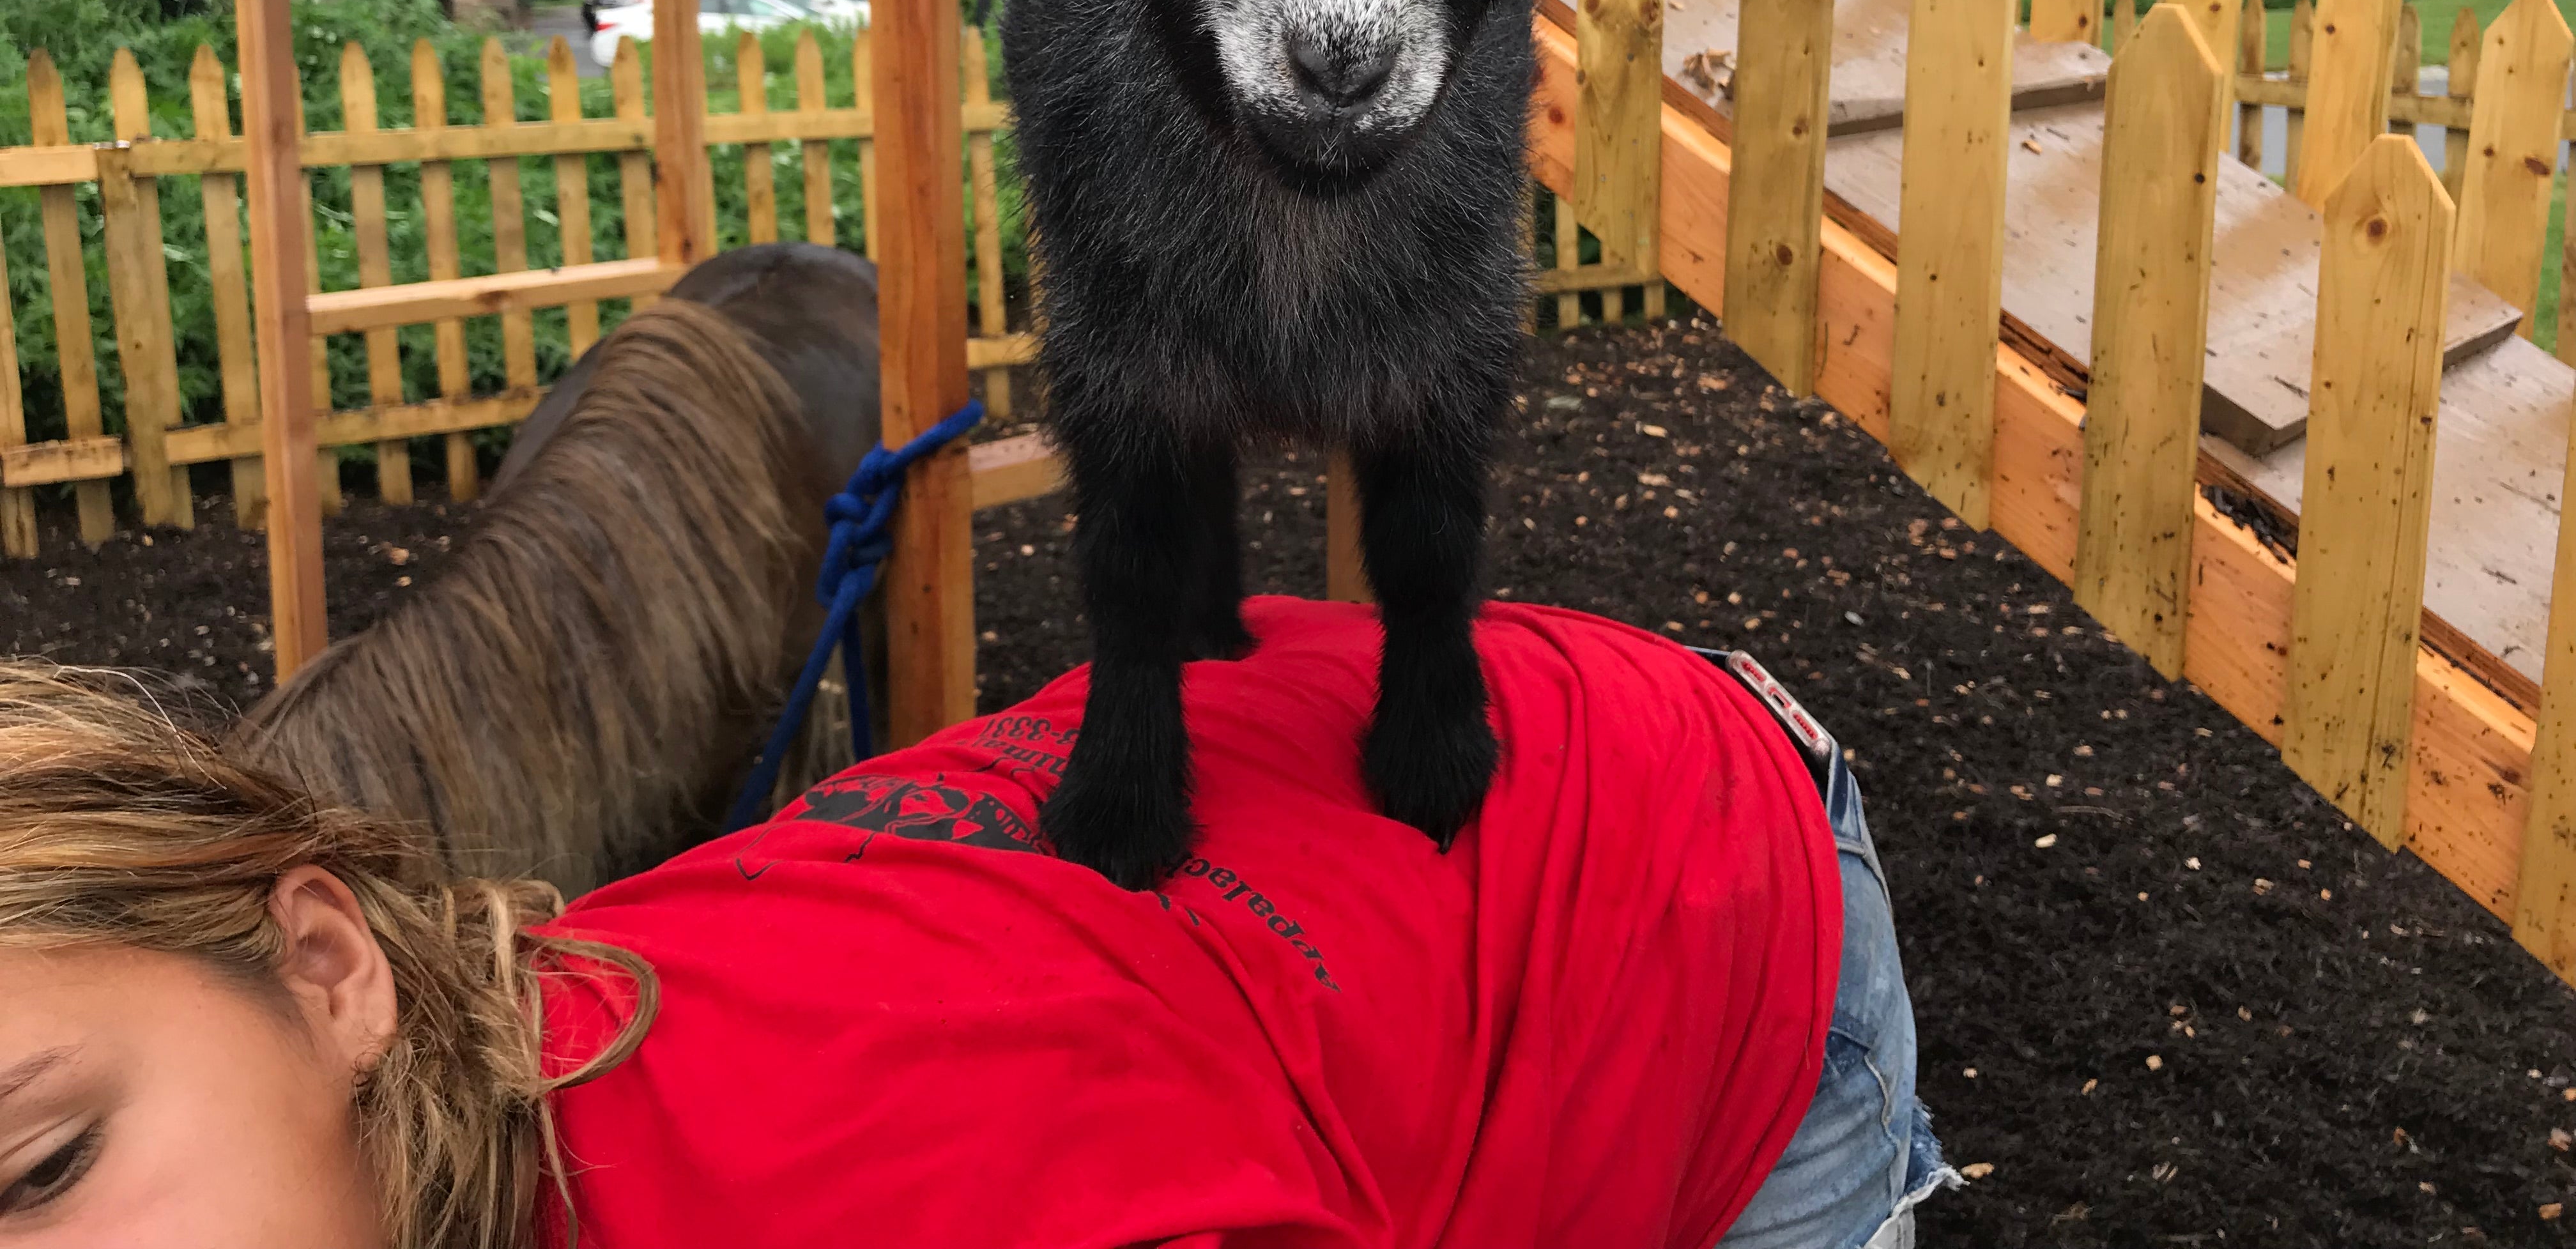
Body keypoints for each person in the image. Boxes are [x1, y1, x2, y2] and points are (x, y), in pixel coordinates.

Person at [0, 597, 1953, 1248]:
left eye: (47, 1160)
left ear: (332, 968)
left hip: (1674, 860)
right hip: (1323, 819)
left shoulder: (885, 1176)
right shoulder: (442, 1099)